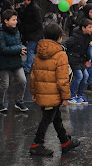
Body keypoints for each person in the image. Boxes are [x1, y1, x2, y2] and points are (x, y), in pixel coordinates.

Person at [28, 23, 81, 156]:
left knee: (56, 117)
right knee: (47, 119)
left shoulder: (39, 52)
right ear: (59, 38)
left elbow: (33, 74)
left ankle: (65, 142)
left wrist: (34, 91)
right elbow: (63, 79)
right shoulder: (60, 54)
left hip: (43, 92)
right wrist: (65, 97)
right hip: (54, 93)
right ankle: (36, 144)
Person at [0, 9, 28, 113]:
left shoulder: (16, 31)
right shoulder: (1, 34)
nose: (15, 21)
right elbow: (2, 49)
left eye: (16, 19)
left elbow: (19, 43)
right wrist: (18, 49)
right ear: (6, 21)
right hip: (4, 63)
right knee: (5, 84)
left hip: (16, 61)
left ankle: (19, 101)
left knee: (23, 81)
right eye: (13, 20)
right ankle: (0, 103)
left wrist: (21, 49)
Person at [65, 18, 92, 104]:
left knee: (86, 76)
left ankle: (80, 95)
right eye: (89, 27)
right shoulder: (76, 37)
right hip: (73, 59)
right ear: (83, 28)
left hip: (81, 60)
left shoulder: (88, 37)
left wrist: (88, 58)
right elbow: (66, 44)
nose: (91, 29)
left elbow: (86, 49)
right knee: (79, 76)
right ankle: (71, 96)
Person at [19, 0, 43, 75]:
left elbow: (39, 23)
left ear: (29, 0)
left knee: (30, 50)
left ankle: (27, 68)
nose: (24, 2)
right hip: (31, 33)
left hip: (34, 34)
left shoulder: (35, 9)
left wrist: (28, 28)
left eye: (25, 0)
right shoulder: (28, 8)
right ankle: (37, 66)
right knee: (34, 51)